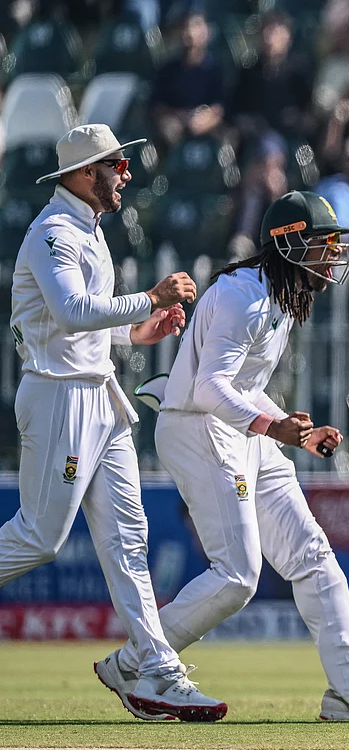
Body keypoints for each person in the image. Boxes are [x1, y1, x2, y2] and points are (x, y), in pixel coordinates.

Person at [101, 191, 349, 721]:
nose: (333, 256)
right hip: (198, 429)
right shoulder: (243, 295)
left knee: (312, 555)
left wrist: (294, 430)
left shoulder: (280, 296)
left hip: (240, 430)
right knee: (237, 576)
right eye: (323, 244)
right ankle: (134, 662)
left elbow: (244, 388)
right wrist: (274, 428)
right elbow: (209, 388)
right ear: (288, 243)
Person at [1, 124, 225, 721]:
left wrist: (135, 332)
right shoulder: (53, 231)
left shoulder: (89, 228)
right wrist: (150, 299)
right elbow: (71, 312)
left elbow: (87, 326)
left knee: (129, 537)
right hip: (59, 397)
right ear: (84, 173)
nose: (126, 174)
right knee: (40, 537)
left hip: (99, 393)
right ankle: (155, 671)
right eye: (115, 166)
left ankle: (156, 672)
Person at [228, 11, 315, 142]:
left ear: (288, 37)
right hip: (255, 139)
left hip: (292, 139)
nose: (269, 39)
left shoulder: (299, 72)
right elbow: (235, 112)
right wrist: (247, 122)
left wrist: (297, 118)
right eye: (266, 33)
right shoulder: (248, 72)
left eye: (275, 33)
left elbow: (310, 114)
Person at [150, 12, 226, 149]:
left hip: (205, 126)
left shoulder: (215, 70)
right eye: (186, 27)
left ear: (206, 32)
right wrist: (177, 116)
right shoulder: (167, 70)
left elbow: (219, 108)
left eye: (196, 26)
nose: (190, 33)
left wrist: (203, 120)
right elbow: (157, 106)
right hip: (174, 124)